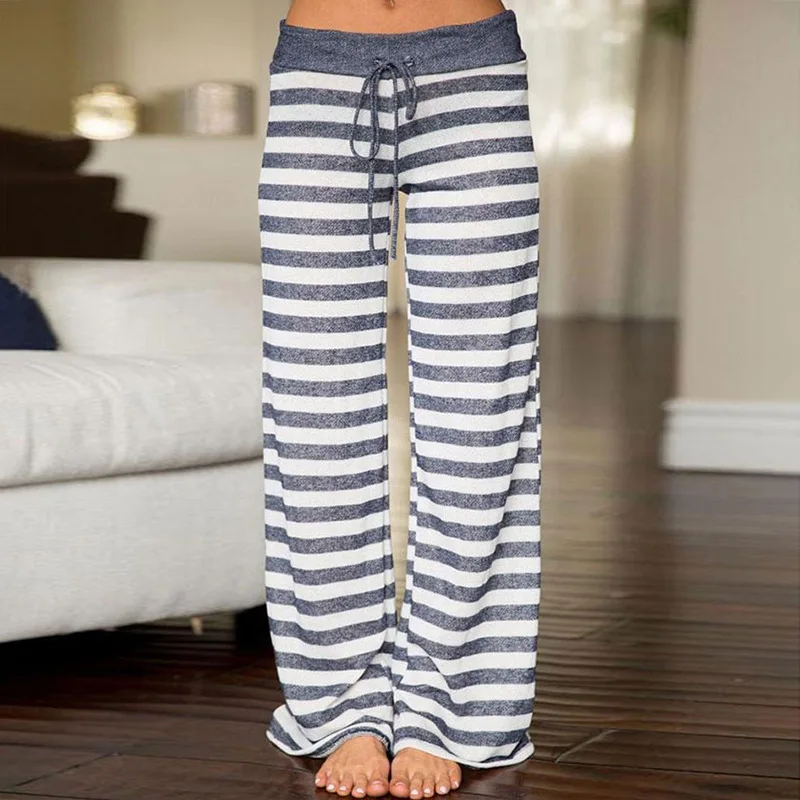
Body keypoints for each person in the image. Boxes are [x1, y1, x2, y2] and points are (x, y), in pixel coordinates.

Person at [259, 0, 541, 796]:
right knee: (314, 414)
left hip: (475, 73)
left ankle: (451, 708)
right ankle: (343, 704)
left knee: (481, 414)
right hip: (318, 77)